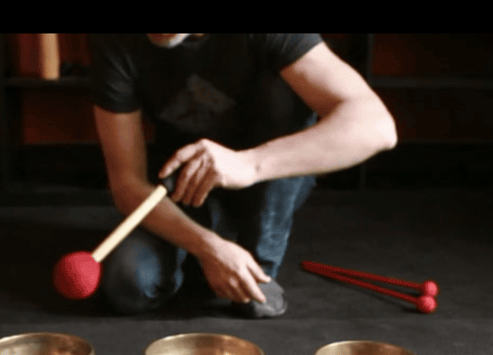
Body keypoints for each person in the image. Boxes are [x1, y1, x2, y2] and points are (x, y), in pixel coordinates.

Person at [89, 34, 398, 318]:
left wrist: (249, 164)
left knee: (286, 88)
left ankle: (259, 259)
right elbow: (127, 184)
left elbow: (377, 127)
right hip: (185, 185)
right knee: (127, 285)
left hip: (269, 179)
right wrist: (207, 247)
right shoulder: (113, 40)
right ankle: (218, 244)